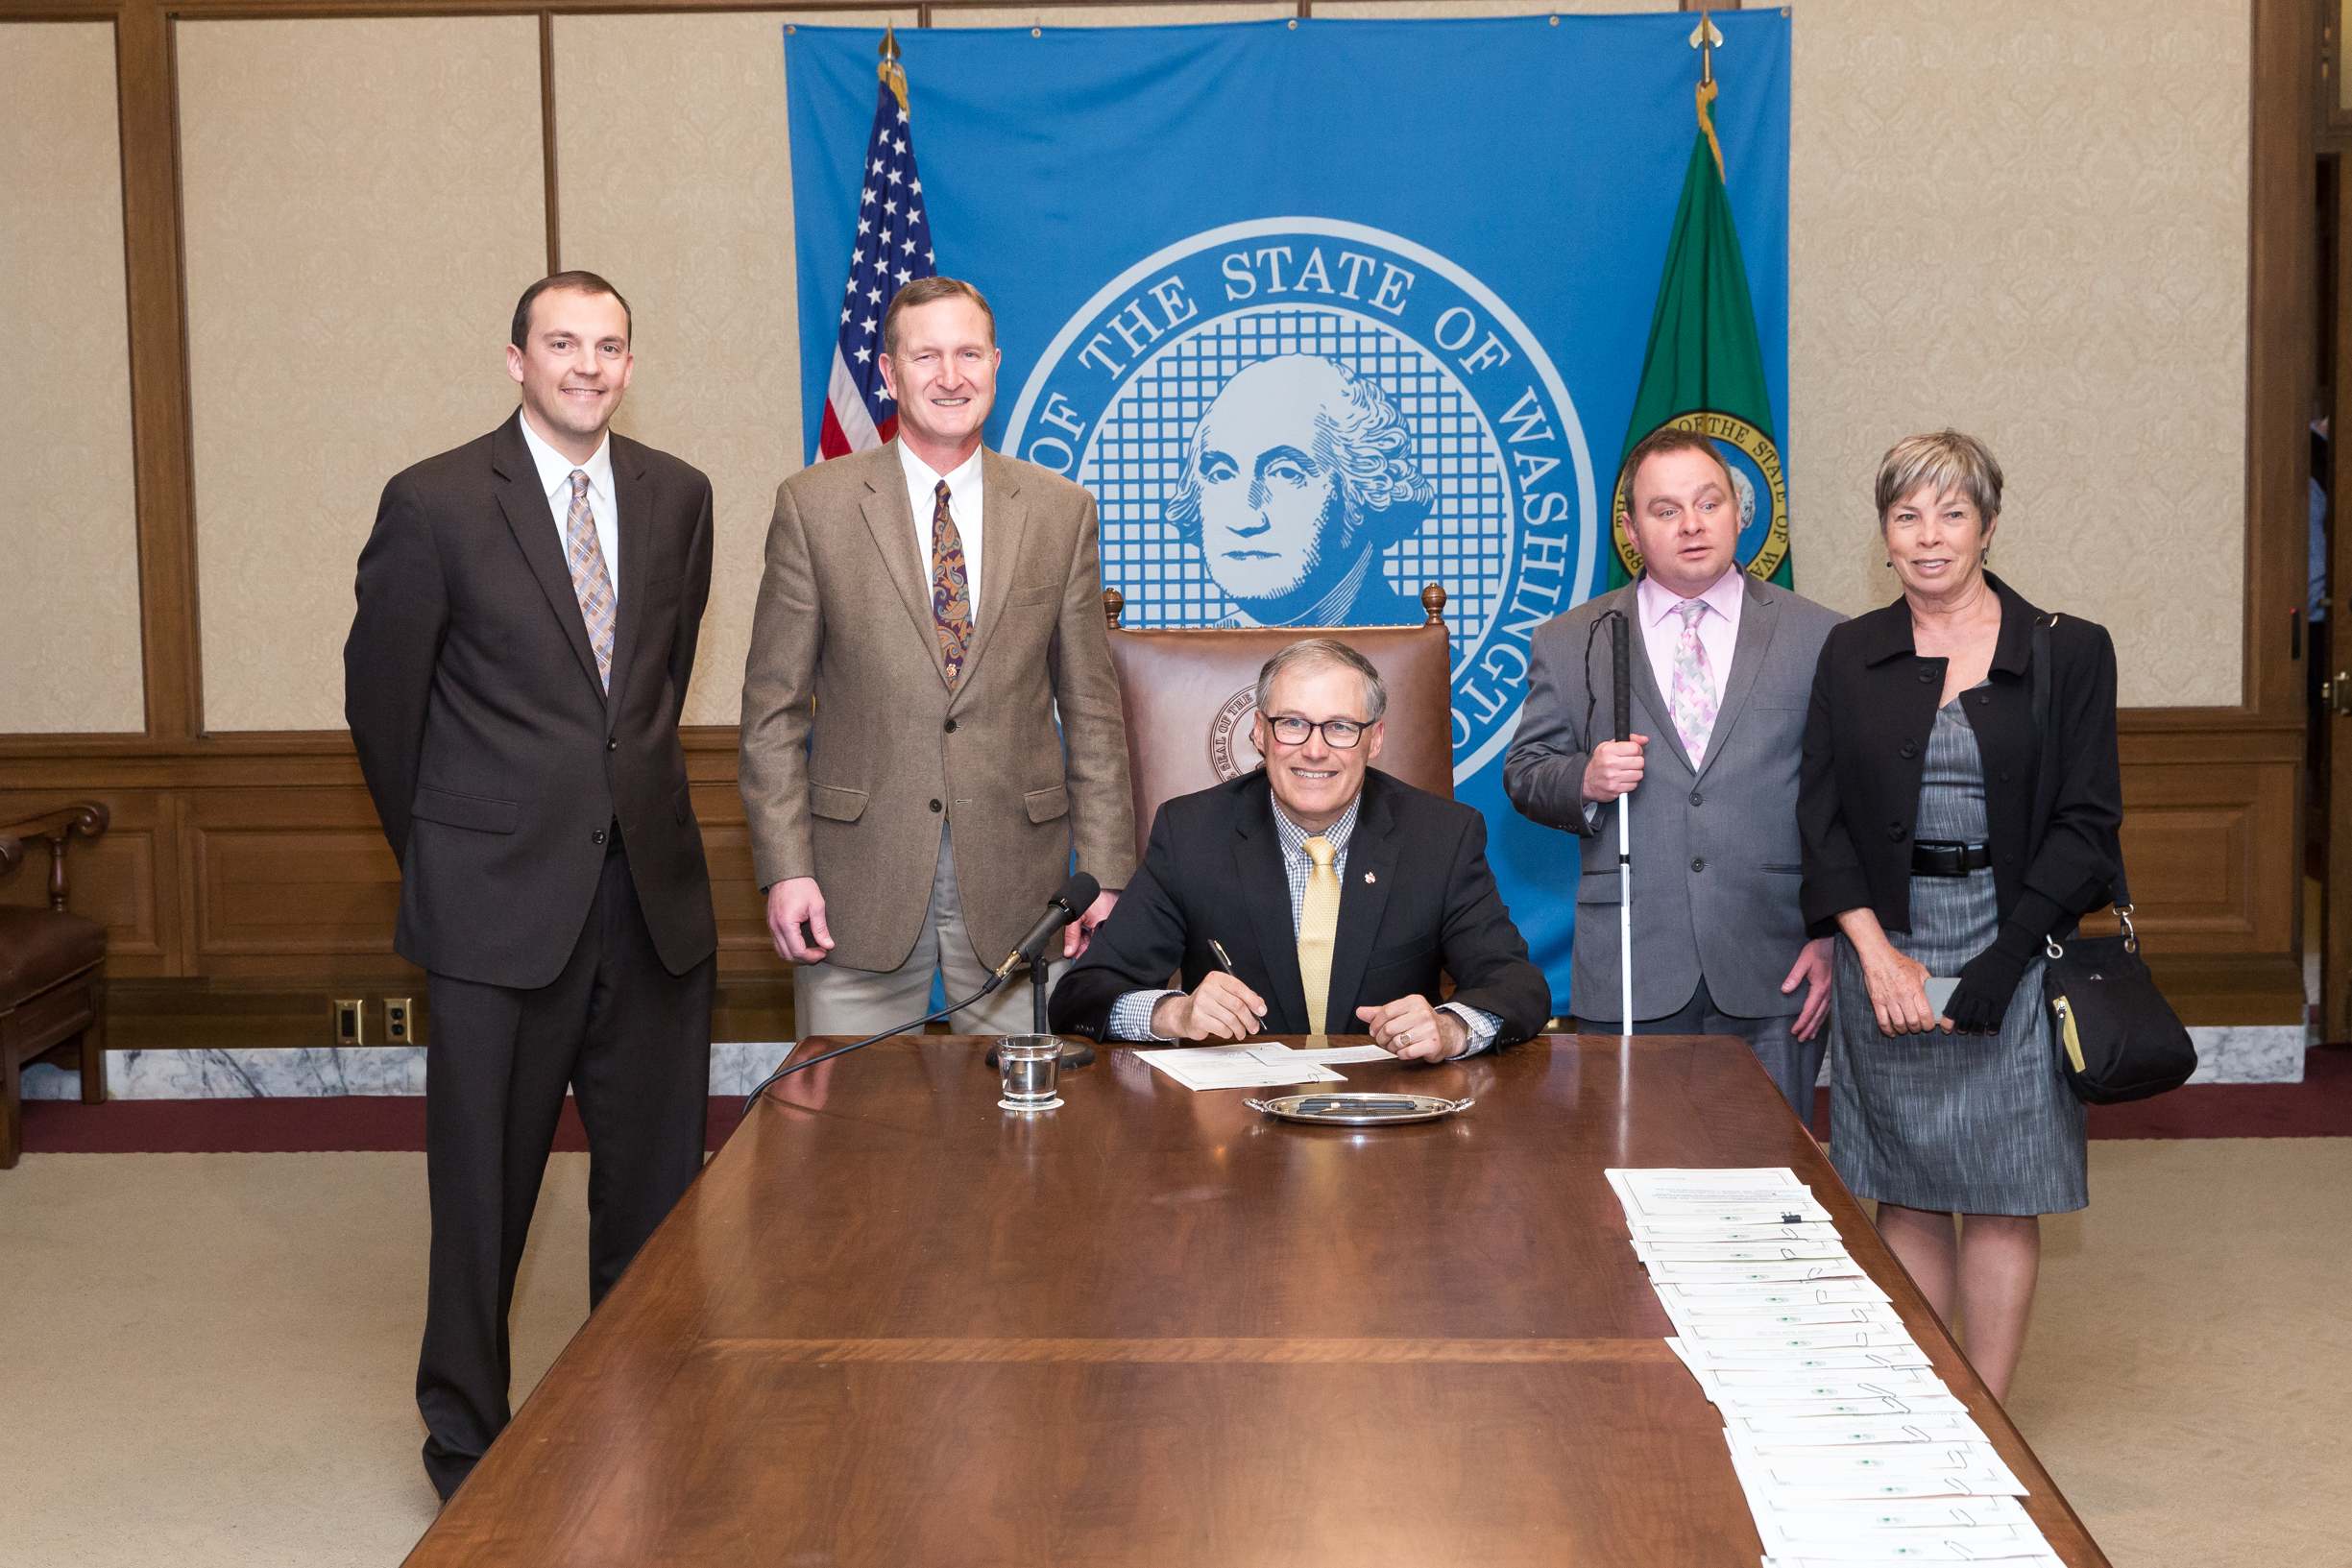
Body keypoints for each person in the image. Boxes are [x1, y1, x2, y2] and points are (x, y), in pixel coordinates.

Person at [344, 272, 717, 1500]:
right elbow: (384, 711)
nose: (588, 366)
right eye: (563, 344)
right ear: (516, 359)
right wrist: (457, 855)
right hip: (496, 910)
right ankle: (466, 1441)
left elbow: (647, 693)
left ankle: (644, 1407)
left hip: (651, 903)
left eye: (609, 346)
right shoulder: (437, 501)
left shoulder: (678, 497)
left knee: (656, 1195)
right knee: (483, 1196)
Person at [1799, 428, 2122, 1402]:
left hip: (2015, 945)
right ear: (1883, 533)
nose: (1928, 536)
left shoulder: (2068, 650)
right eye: (1906, 515)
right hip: (1885, 947)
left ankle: (1988, 1414)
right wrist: (1874, 955)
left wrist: (2002, 959)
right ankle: (1931, 1401)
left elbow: (2086, 824)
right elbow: (1818, 818)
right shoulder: (1850, 651)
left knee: (1999, 1190)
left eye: (1951, 513)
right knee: (1906, 1185)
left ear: (1987, 524)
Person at [740, 277, 1133, 1039]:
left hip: (1022, 891)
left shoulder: (1061, 510)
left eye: (967, 354)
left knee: (1025, 1137)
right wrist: (786, 867)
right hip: (854, 886)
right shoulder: (812, 507)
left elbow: (1090, 707)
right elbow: (772, 713)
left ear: (994, 364)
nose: (950, 376)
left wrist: (1109, 873)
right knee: (844, 1131)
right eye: (926, 356)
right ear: (888, 374)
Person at [1503, 426, 1844, 1117]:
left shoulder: (1821, 635)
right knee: (1629, 1185)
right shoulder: (1571, 639)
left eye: (1708, 502)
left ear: (1739, 513)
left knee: (1769, 1191)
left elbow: (1844, 803)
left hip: (1775, 963)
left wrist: (1831, 935)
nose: (1691, 525)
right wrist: (1585, 781)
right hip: (1631, 963)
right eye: (1665, 510)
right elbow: (1524, 771)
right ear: (1630, 531)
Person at [1052, 639, 1549, 1053]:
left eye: (1340, 727)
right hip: (1236, 1124)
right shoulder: (1192, 833)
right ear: (1259, 734)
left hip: (1386, 1119)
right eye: (1292, 723)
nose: (1315, 749)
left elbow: (1515, 984)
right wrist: (1173, 1012)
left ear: (1374, 740)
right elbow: (1082, 995)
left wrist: (1451, 1028)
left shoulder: (1441, 835)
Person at [1162, 354, 1434, 628]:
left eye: (1286, 473)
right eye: (1221, 474)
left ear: (1363, 492)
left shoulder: (1423, 665)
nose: (1246, 519)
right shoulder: (1192, 662)